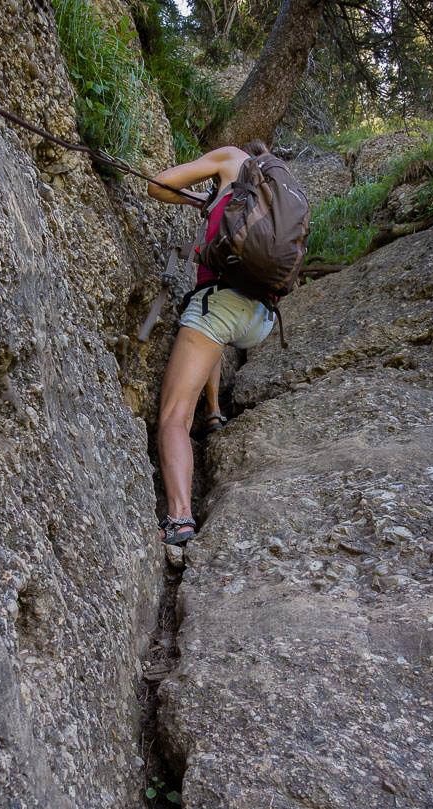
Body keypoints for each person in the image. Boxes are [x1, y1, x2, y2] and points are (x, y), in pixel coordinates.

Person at [148, 141, 276, 546]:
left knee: (173, 417)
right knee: (212, 338)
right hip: (262, 316)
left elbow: (158, 185)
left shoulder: (231, 157)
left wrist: (200, 199)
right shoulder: (275, 186)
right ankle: (215, 411)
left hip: (220, 303)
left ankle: (180, 518)